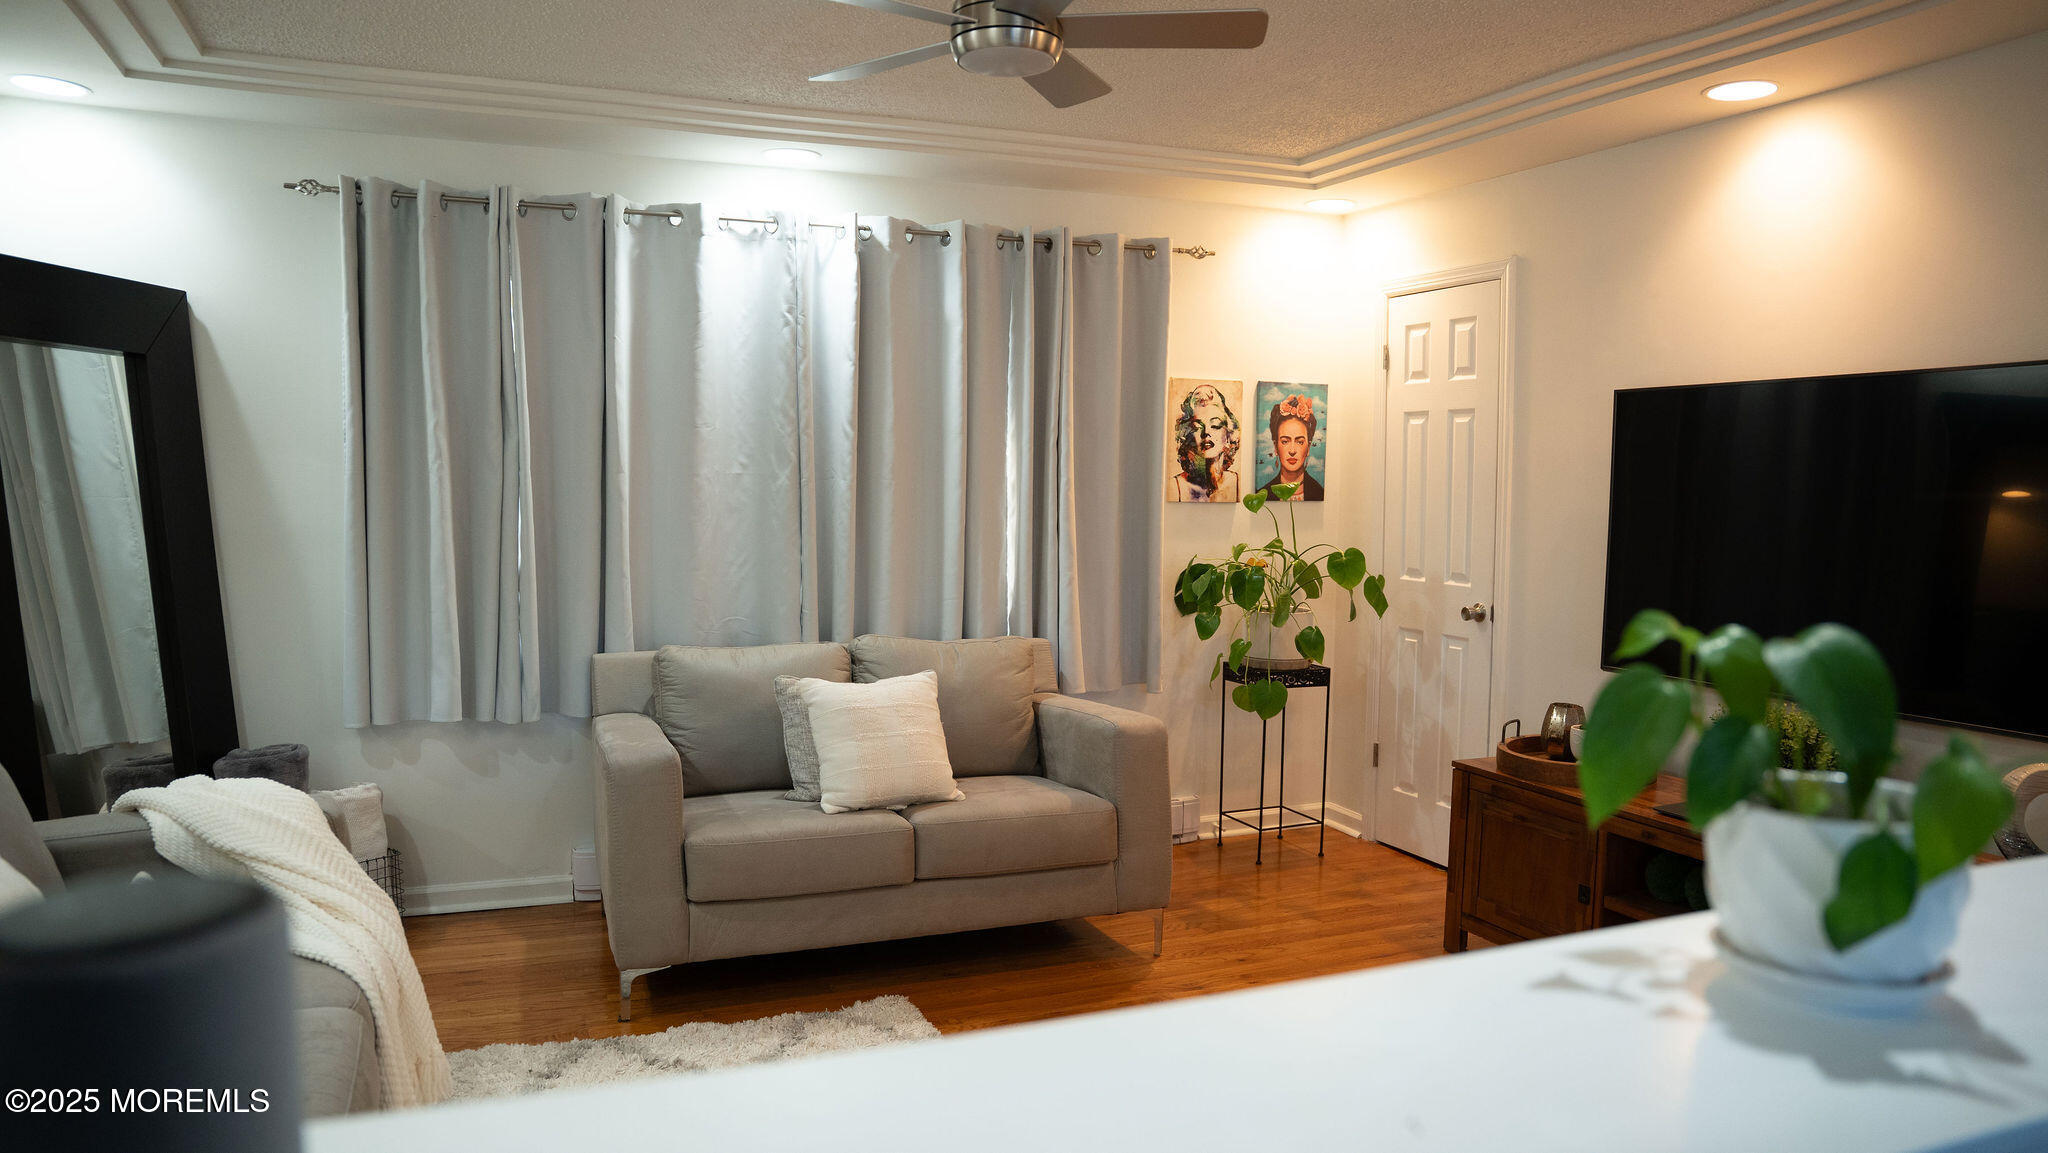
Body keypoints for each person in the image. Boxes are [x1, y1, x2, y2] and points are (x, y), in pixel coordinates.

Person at [1167, 383, 1242, 502]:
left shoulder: (1238, 483)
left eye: (1215, 425)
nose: (1206, 432)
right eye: (1197, 427)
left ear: (1228, 437)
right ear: (1188, 437)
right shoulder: (1174, 488)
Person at [1257, 393, 1324, 501]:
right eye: (1285, 441)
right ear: (1275, 447)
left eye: (1300, 442)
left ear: (1309, 447)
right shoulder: (1263, 494)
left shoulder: (1319, 492)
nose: (1292, 451)